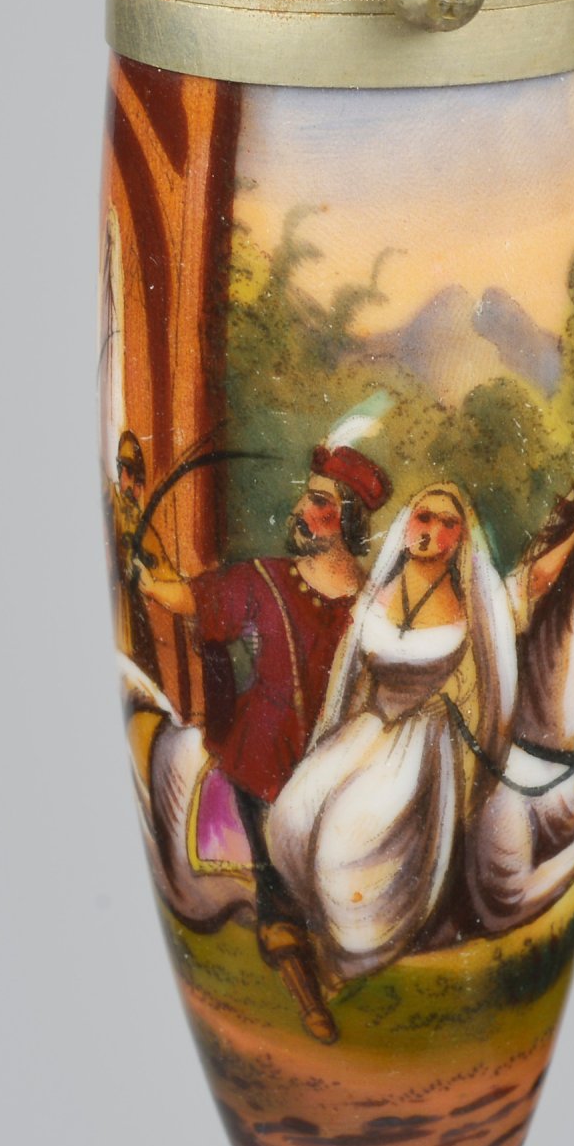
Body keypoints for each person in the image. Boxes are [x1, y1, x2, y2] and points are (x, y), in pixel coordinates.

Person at [139, 443, 392, 1041]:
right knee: (277, 873)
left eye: (318, 501)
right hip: (264, 754)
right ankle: (303, 991)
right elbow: (194, 598)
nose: (301, 509)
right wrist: (149, 575)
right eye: (307, 497)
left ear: (348, 520)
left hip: (339, 760)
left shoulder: (376, 604)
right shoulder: (263, 580)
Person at [267, 484, 518, 985]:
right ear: (406, 524)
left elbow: (480, 686)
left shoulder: (469, 608)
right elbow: (353, 675)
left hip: (420, 743)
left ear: (460, 538)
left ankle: (359, 947)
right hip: (370, 725)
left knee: (350, 836)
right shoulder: (377, 595)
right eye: (425, 517)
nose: (432, 531)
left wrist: (442, 700)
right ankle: (315, 926)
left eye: (448, 524)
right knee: (293, 812)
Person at [103, 430, 174, 687]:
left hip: (133, 620)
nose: (133, 486)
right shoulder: (117, 507)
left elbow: (163, 568)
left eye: (136, 477)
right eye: (125, 471)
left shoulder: (139, 523)